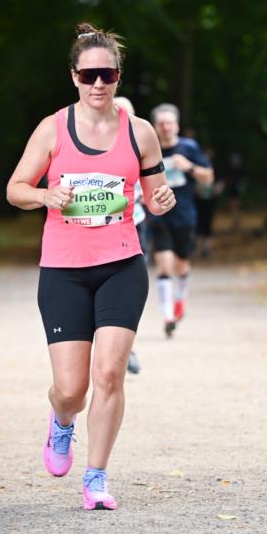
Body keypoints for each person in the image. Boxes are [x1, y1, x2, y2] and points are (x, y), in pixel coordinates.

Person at [6, 23, 175, 511]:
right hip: (63, 269)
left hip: (122, 263)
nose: (98, 84)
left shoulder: (140, 132)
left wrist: (162, 200)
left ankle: (97, 477)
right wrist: (43, 194)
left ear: (119, 77)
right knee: (71, 388)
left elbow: (155, 197)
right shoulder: (52, 129)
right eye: (89, 75)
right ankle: (61, 423)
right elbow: (15, 188)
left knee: (110, 375)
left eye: (108, 74)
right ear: (74, 76)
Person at [149, 104, 213, 336]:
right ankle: (167, 316)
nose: (166, 128)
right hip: (158, 215)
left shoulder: (189, 147)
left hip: (185, 214)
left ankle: (180, 296)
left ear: (176, 125)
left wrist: (190, 167)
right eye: (161, 123)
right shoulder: (149, 149)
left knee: (181, 265)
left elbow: (208, 178)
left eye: (170, 123)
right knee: (165, 266)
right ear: (155, 126)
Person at [114, 95, 147, 375]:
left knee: (128, 294)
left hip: (135, 225)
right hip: (97, 233)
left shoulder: (142, 142)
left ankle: (128, 348)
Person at [194, 147, 224, 258]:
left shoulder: (215, 168)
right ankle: (198, 249)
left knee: (208, 224)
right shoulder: (197, 167)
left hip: (210, 201)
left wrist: (216, 190)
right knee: (198, 224)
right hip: (198, 200)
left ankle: (206, 249)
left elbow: (220, 183)